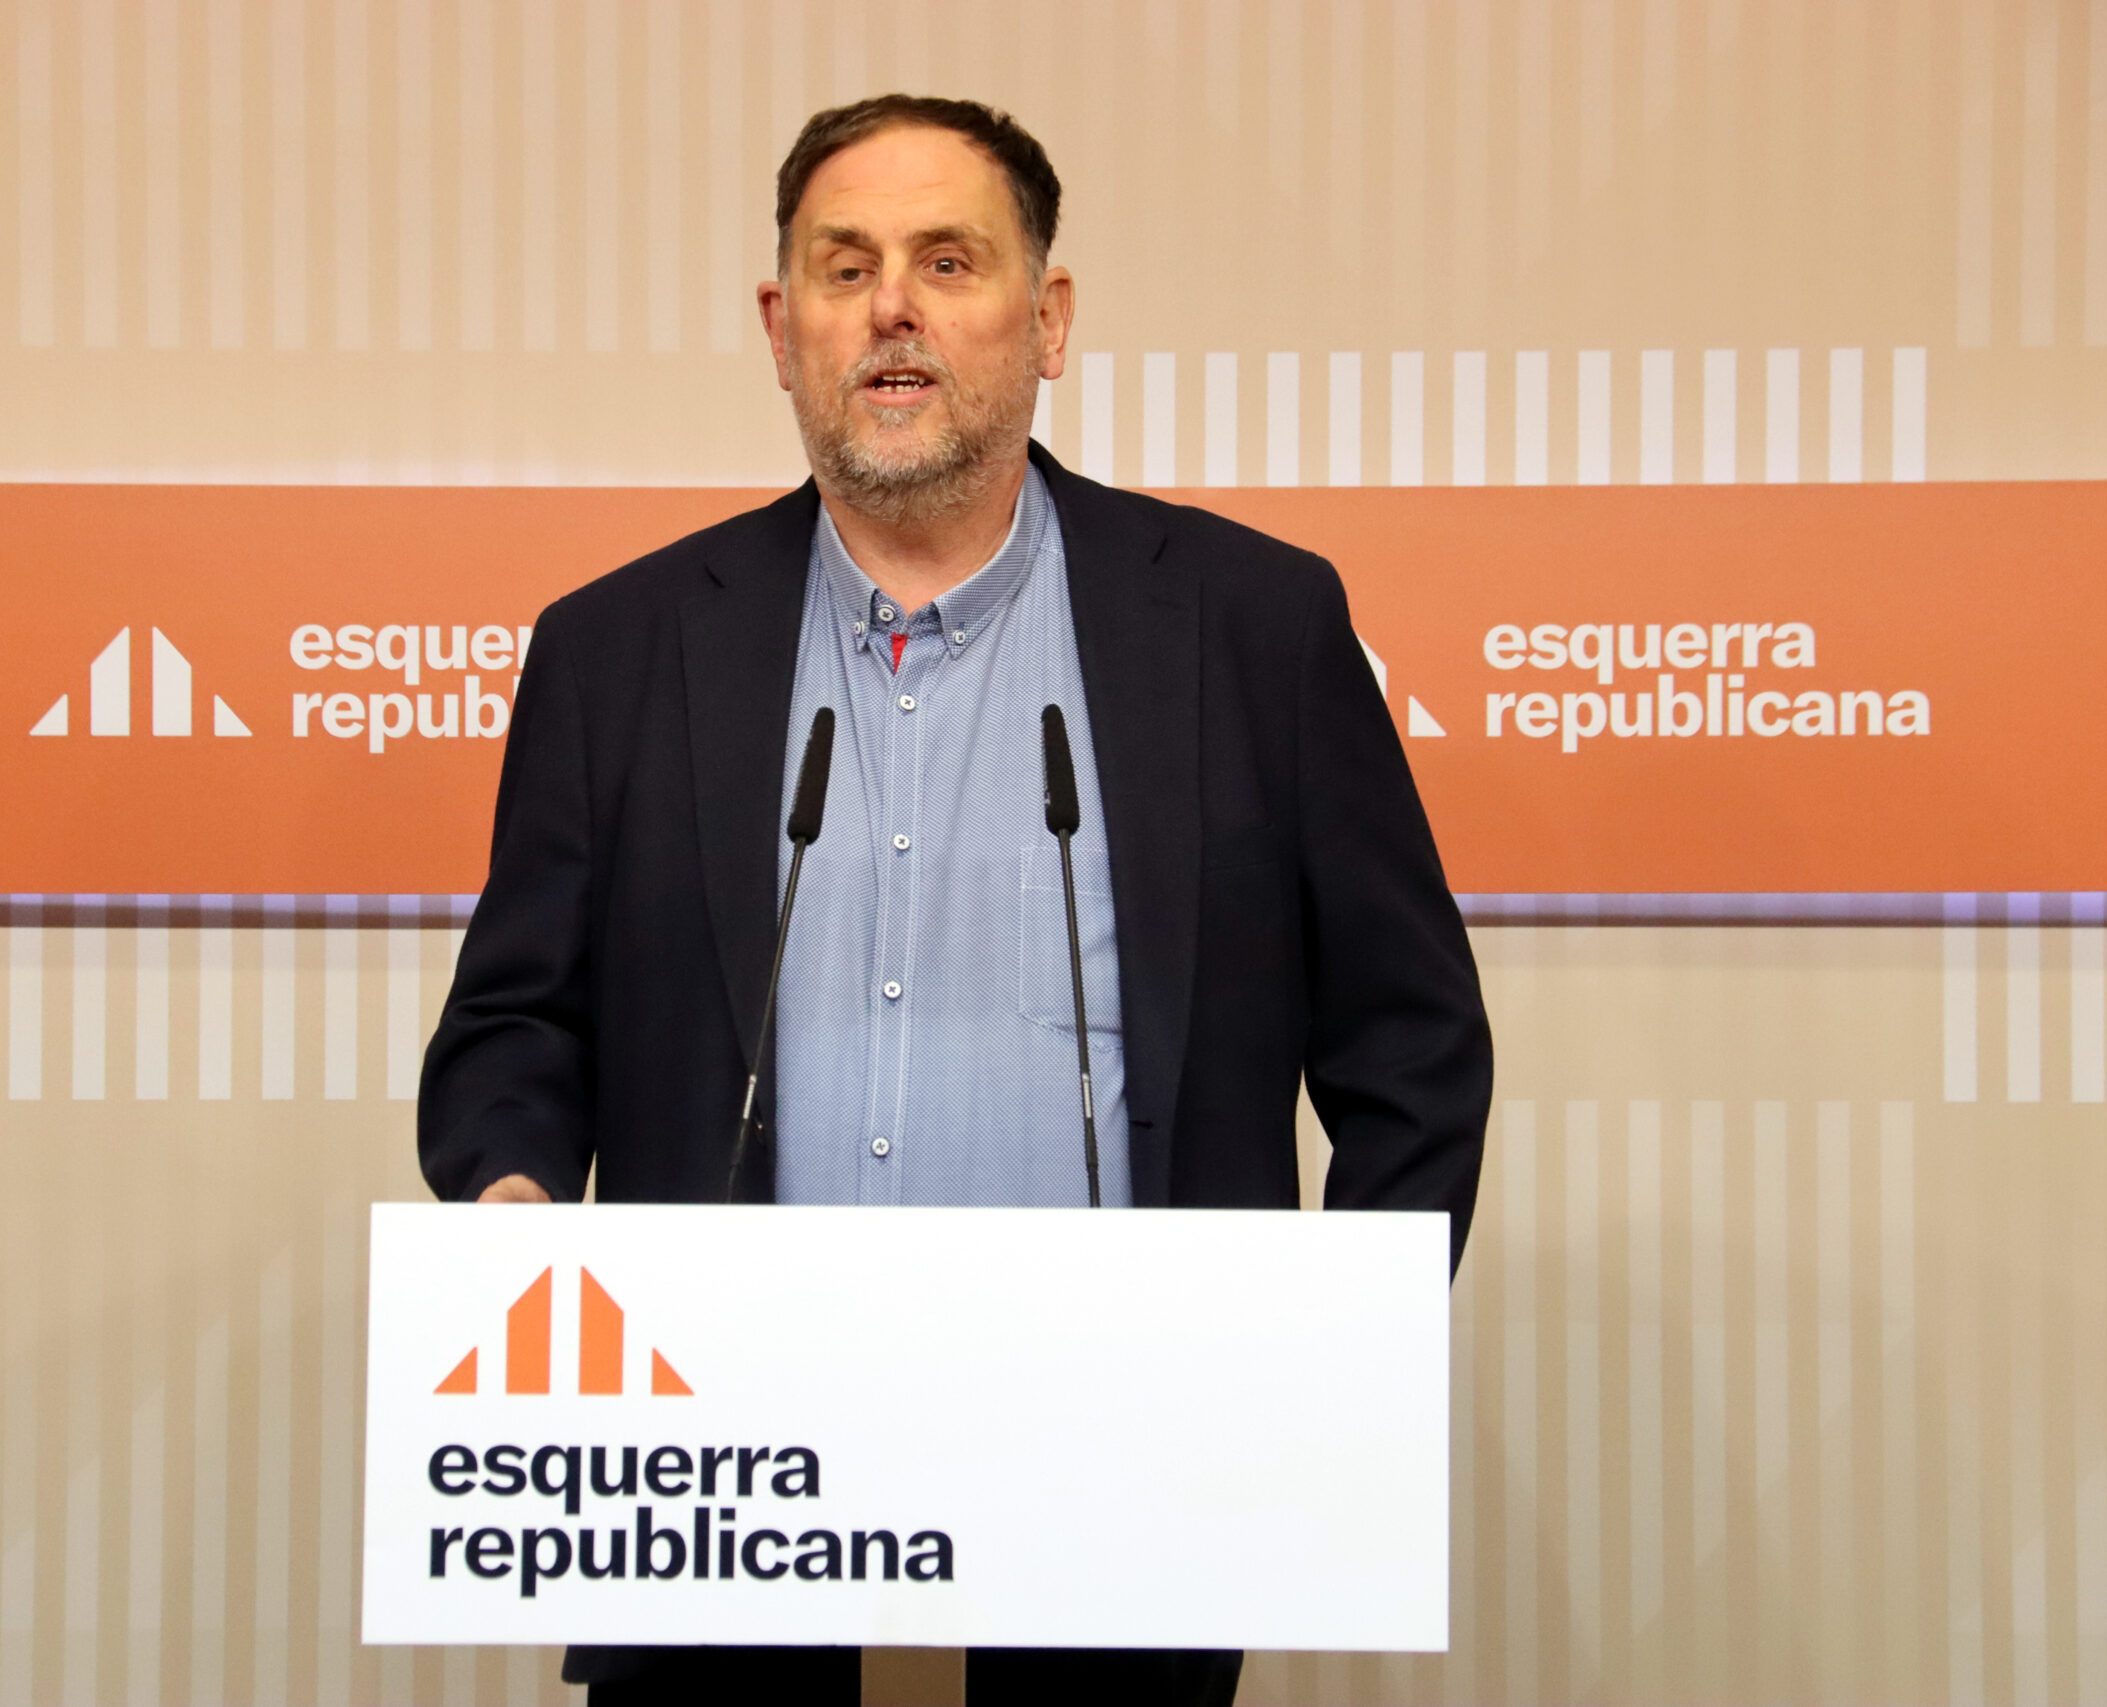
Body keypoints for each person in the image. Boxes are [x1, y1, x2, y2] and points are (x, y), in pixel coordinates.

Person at [419, 94, 1492, 1707]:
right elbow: (516, 1025)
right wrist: (509, 1203)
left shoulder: (1250, 627)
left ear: (1047, 321)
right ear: (781, 331)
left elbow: (1411, 1045)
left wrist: (1332, 1354)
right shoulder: (618, 648)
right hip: (722, 1478)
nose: (892, 309)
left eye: (947, 261)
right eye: (844, 268)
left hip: (1136, 1465)